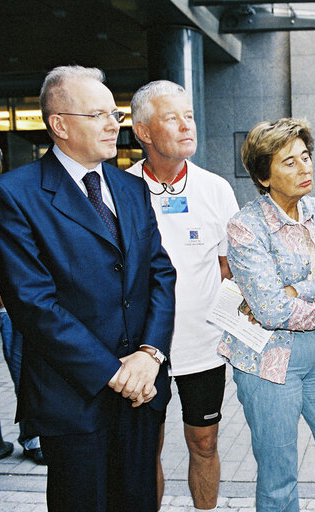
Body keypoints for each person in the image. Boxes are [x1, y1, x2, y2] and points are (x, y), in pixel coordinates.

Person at [0, 65, 176, 511]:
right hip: (74, 397)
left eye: (116, 113)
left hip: (142, 390)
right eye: (99, 115)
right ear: (59, 125)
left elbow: (161, 274)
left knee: (139, 501)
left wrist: (149, 356)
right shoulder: (15, 194)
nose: (115, 125)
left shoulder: (132, 188)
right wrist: (115, 373)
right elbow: (33, 304)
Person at [218, 118, 315, 511]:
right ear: (264, 176)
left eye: (306, 157)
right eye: (290, 162)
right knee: (279, 474)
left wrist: (300, 290)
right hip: (267, 361)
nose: (305, 168)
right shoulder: (245, 226)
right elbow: (270, 309)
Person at [128, 80, 240, 511]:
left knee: (205, 444)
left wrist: (230, 332)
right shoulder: (121, 190)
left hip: (203, 347)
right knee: (144, 451)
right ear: (142, 131)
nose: (185, 125)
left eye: (188, 116)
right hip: (141, 350)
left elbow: (229, 269)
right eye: (171, 117)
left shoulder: (216, 189)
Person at [0, 135, 45, 475]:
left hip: (14, 305)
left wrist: (8, 284)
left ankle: (33, 438)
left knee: (27, 376)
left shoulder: (9, 200)